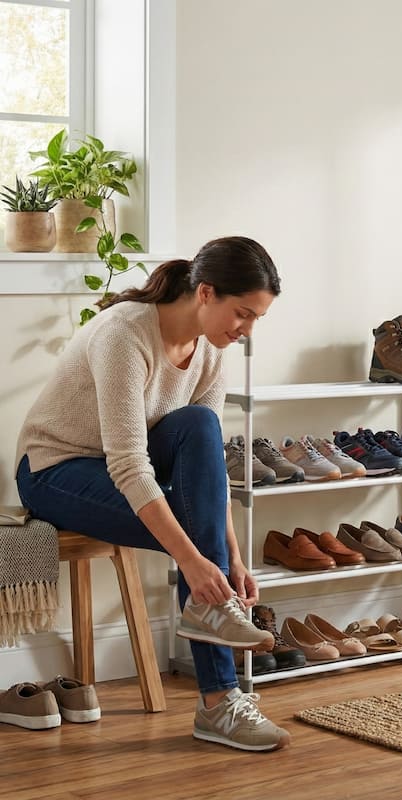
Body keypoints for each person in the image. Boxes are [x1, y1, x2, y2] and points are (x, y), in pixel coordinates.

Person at [15, 235, 290, 752]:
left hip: (121, 471)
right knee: (194, 542)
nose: (247, 330)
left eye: (256, 319)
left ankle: (218, 690)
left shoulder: (210, 352)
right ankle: (219, 702)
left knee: (200, 427)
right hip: (55, 470)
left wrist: (230, 556)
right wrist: (194, 560)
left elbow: (205, 467)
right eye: (243, 313)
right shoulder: (125, 334)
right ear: (205, 292)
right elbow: (128, 463)